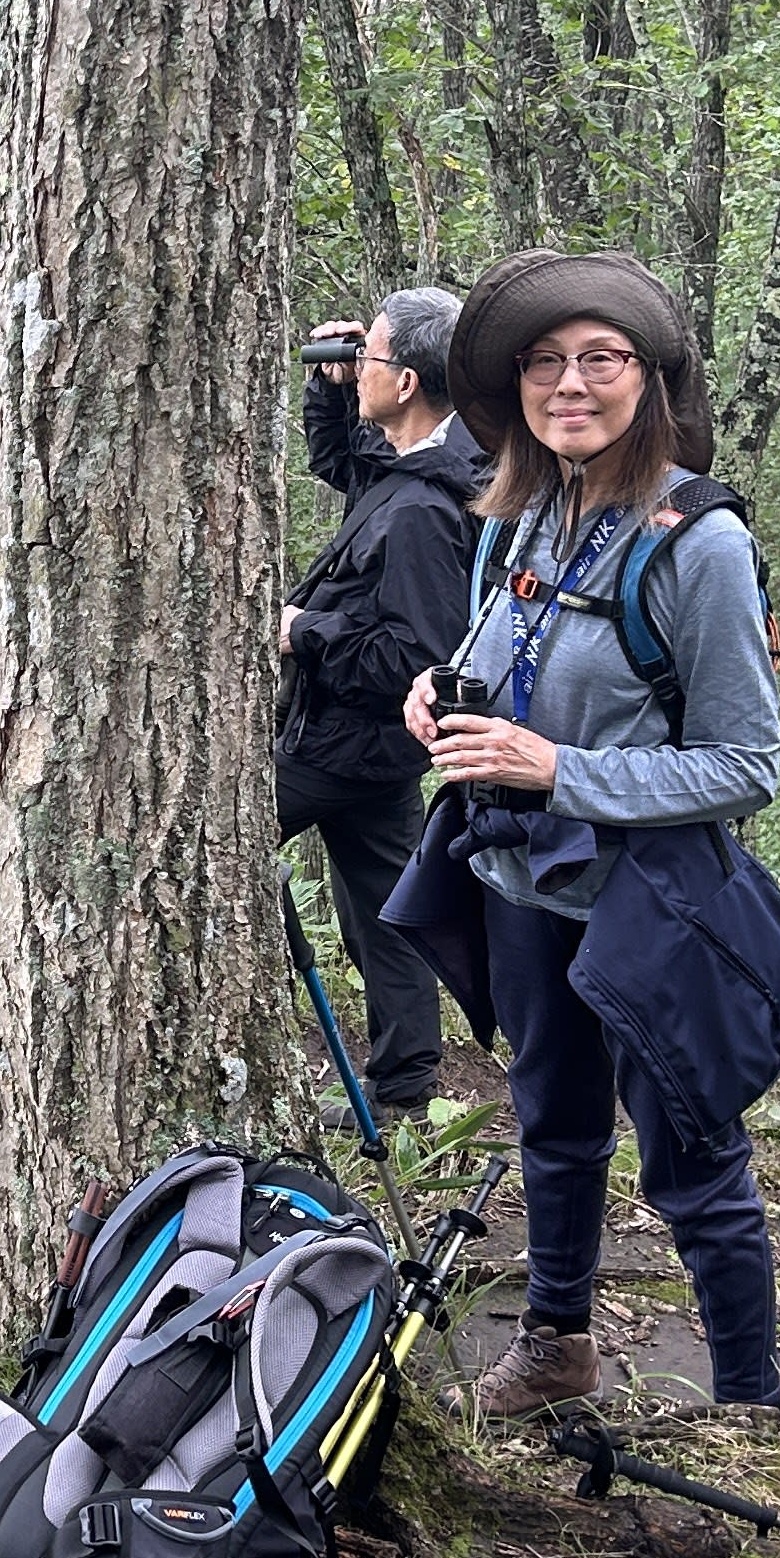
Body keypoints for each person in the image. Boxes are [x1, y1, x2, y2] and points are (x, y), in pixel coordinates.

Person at [394, 249, 780, 1417]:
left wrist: (559, 768)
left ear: (650, 379)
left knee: (695, 1165)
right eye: (546, 362)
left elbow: (745, 764)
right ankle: (557, 1345)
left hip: (649, 902)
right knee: (551, 1122)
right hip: (524, 882)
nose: (570, 383)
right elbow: (498, 661)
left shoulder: (698, 544)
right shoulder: (520, 520)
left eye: (601, 359)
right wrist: (439, 689)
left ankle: (751, 1410)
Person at [279, 290, 484, 1127]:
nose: (359, 368)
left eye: (371, 359)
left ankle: (399, 1084)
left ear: (404, 382)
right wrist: (329, 387)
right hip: (373, 752)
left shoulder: (428, 513)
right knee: (384, 909)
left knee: (203, 839)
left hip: (338, 745)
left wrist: (305, 633)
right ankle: (404, 1088)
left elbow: (417, 657)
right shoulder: (423, 459)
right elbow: (347, 464)